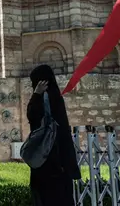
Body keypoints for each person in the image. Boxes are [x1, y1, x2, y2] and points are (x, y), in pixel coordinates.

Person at [26, 64, 81, 206]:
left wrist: (36, 94)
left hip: (49, 159)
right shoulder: (56, 96)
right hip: (60, 159)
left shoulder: (46, 98)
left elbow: (33, 117)